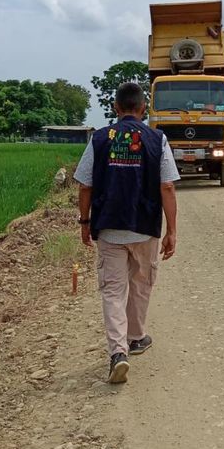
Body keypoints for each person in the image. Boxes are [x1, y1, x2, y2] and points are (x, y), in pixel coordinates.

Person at [74, 82, 179, 383]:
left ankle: (118, 353)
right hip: (145, 228)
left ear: (116, 108)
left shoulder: (99, 139)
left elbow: (85, 186)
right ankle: (136, 338)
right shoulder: (157, 139)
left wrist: (85, 222)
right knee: (141, 283)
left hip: (109, 228)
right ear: (143, 108)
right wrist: (171, 230)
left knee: (113, 291)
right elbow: (167, 186)